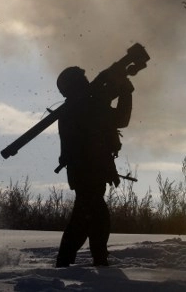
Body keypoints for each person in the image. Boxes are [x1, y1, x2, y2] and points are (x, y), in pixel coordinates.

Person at [54, 65, 133, 268]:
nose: (87, 83)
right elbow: (121, 119)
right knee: (95, 215)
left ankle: (70, 260)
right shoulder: (83, 107)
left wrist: (120, 88)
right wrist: (125, 91)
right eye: (82, 80)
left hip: (88, 171)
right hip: (87, 171)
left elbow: (112, 121)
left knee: (86, 216)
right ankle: (96, 260)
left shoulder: (82, 106)